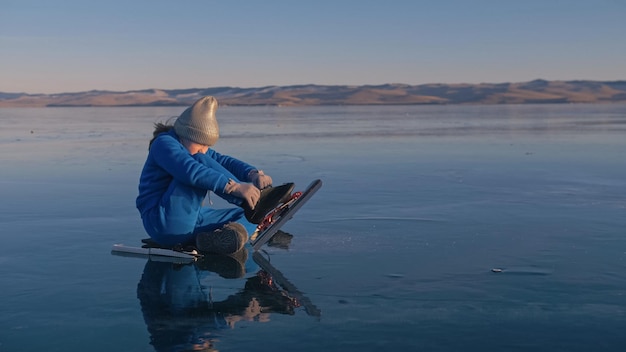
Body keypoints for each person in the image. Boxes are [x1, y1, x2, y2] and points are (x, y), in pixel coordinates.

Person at [136, 96, 293, 254]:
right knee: (200, 161)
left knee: (245, 216)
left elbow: (224, 161)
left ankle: (222, 237)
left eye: (207, 146)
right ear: (186, 134)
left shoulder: (190, 144)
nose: (204, 149)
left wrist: (253, 174)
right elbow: (189, 170)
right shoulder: (164, 144)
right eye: (202, 144)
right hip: (162, 221)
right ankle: (255, 205)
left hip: (191, 220)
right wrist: (233, 187)